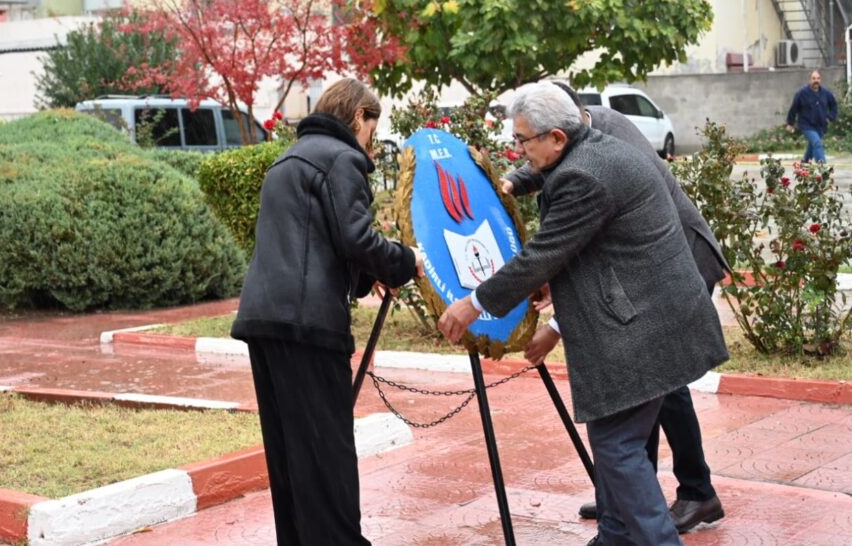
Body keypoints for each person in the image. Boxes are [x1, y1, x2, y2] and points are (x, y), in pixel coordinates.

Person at [438, 82, 728, 546]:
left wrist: (473, 303)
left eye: (522, 141)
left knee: (618, 447)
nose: (518, 150)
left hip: (643, 326)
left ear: (556, 137)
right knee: (616, 439)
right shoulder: (590, 149)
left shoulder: (585, 174)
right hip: (649, 314)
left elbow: (543, 254)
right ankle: (616, 535)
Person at [231, 77, 424, 546]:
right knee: (326, 451)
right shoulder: (342, 158)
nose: (370, 144)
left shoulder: (289, 158)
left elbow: (317, 240)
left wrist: (363, 277)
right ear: (359, 117)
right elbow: (356, 237)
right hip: (309, 326)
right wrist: (404, 261)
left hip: (264, 321)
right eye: (371, 131)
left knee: (289, 453)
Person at [786, 70, 839, 164]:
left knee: (812, 146)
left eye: (818, 78)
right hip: (806, 125)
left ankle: (804, 164)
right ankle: (823, 168)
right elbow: (794, 108)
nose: (816, 80)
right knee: (817, 143)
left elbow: (834, 105)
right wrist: (790, 123)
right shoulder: (801, 93)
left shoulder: (826, 94)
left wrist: (831, 117)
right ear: (809, 80)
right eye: (813, 78)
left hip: (821, 125)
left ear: (820, 80)